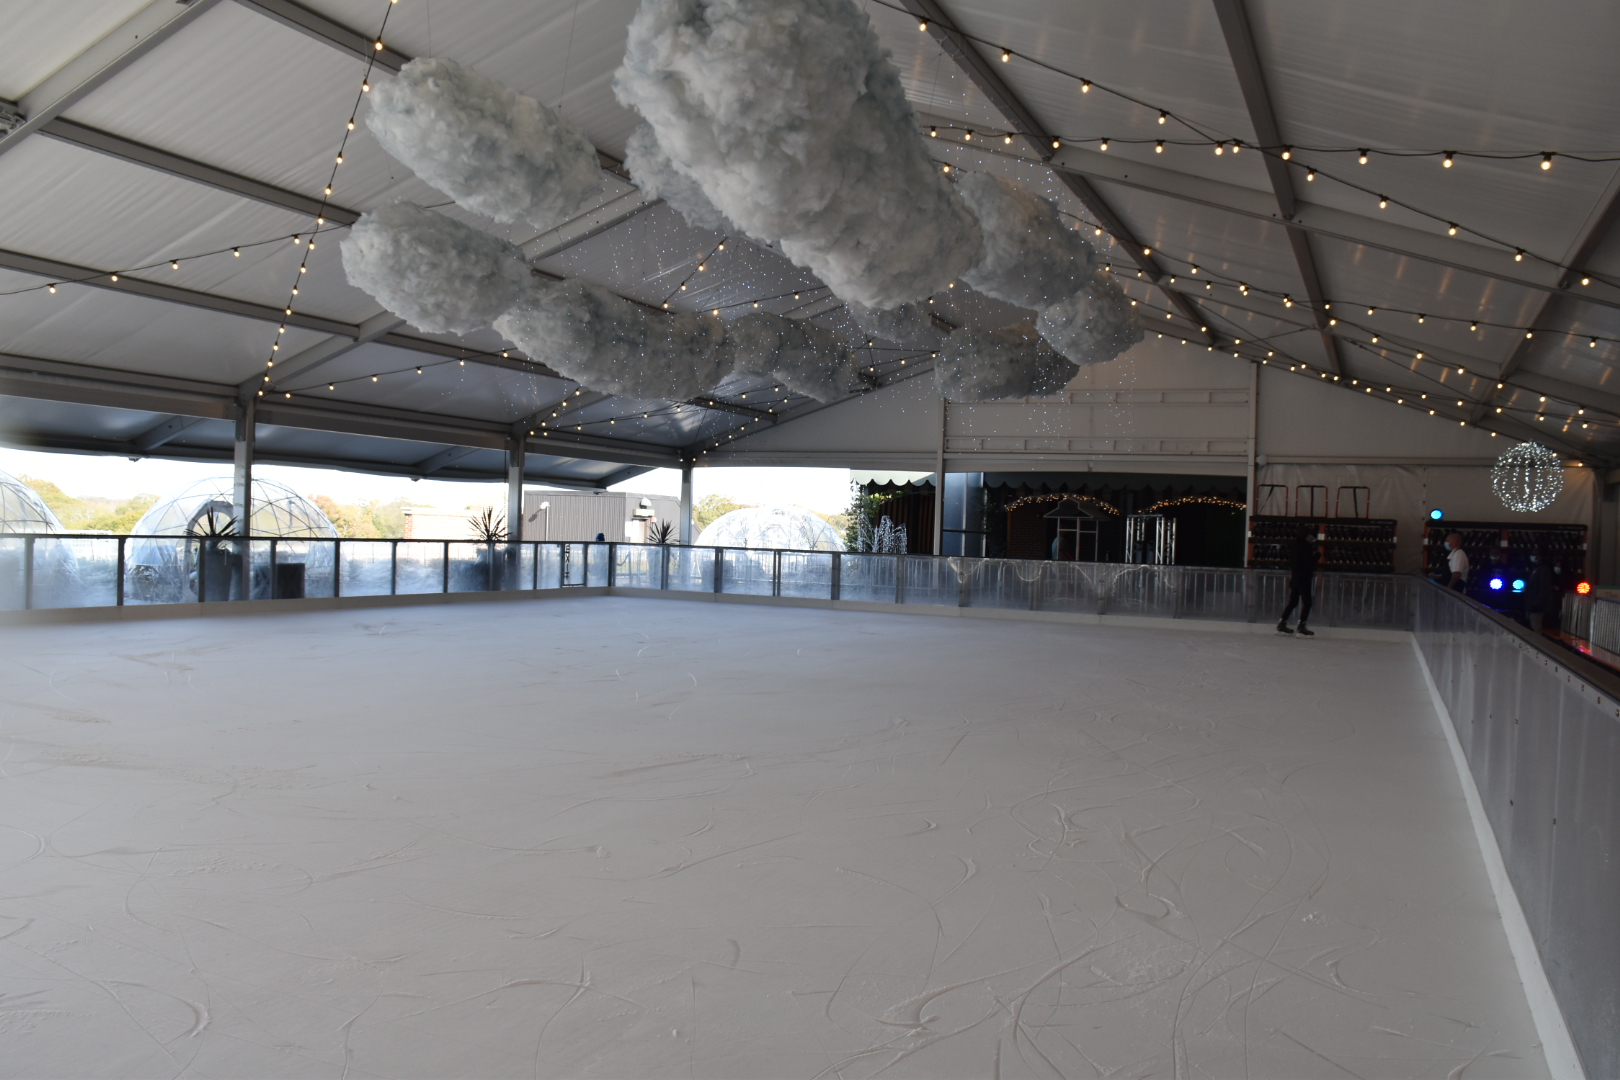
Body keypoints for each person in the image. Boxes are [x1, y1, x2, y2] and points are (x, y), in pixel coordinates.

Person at [1277, 524, 1318, 636]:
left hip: (1294, 577)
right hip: (1304, 578)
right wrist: (1317, 557)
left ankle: (1282, 623)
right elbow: (1308, 564)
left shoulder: (1294, 545)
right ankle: (1301, 625)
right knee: (1307, 602)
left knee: (1293, 601)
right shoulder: (1306, 547)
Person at [1525, 549, 1554, 633]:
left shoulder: (1543, 570)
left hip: (1537, 606)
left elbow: (1544, 589)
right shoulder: (1536, 569)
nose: (1534, 557)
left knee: (1536, 627)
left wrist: (1536, 603)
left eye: (1536, 555)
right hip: (1532, 604)